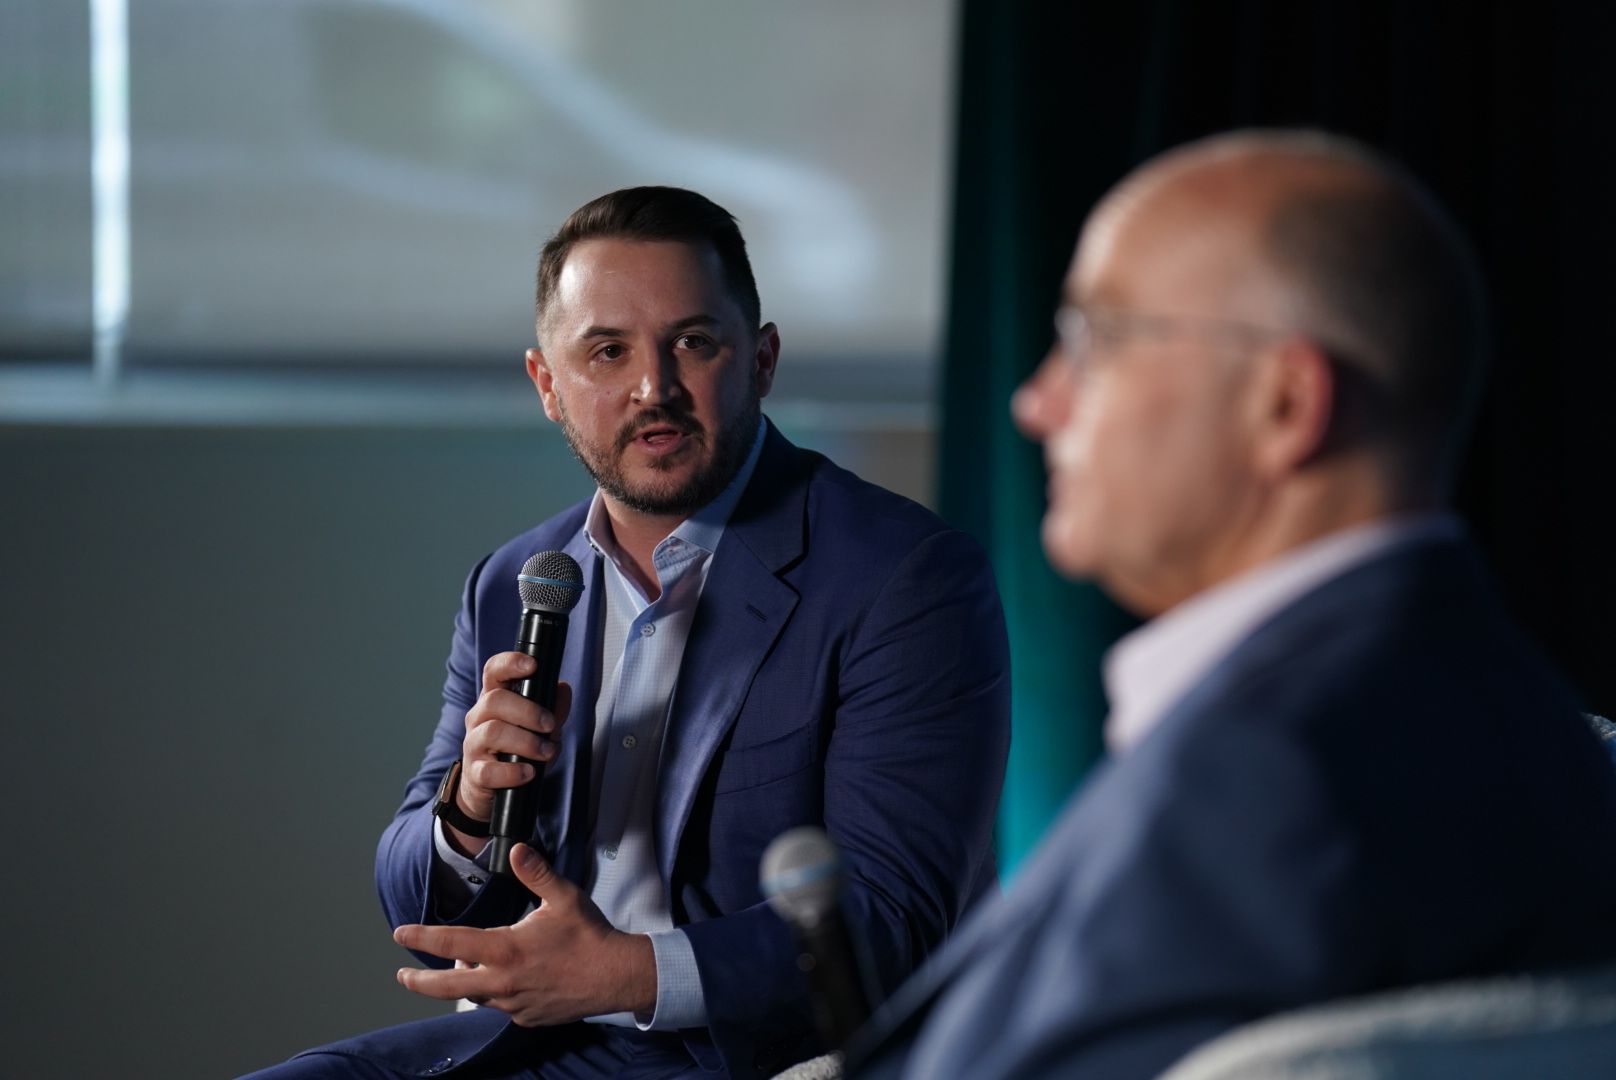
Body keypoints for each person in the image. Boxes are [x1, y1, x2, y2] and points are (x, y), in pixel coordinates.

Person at [847, 130, 1616, 1078]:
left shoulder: (1274, 795)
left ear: (1285, 406)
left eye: (1094, 339)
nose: (1036, 402)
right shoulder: (1524, 729)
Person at [243, 187, 1010, 1080]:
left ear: (760, 359)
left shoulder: (905, 577)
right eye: (607, 351)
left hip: (762, 1054)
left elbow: (894, 918)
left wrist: (627, 976)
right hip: (531, 1041)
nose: (655, 389)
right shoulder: (518, 581)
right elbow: (410, 897)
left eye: (694, 342)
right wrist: (467, 808)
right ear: (547, 386)